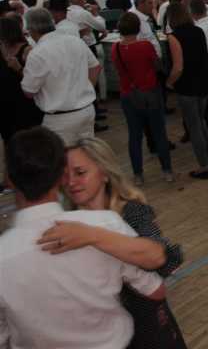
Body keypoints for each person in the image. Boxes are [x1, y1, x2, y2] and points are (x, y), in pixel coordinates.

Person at [0, 127, 165, 349]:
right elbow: (155, 289)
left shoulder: (4, 254)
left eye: (81, 172)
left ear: (9, 180)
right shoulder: (106, 224)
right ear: (61, 176)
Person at [37, 137, 187, 348]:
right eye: (65, 175)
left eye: (80, 173)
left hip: (148, 328)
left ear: (105, 173)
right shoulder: (64, 223)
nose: (70, 182)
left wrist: (92, 235)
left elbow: (161, 257)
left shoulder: (132, 211)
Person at [111, 12, 174, 185]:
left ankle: (138, 174)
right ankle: (167, 171)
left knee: (134, 135)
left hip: (128, 95)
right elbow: (157, 65)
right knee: (159, 133)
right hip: (150, 93)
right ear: (138, 28)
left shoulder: (115, 48)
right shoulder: (146, 46)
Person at [21, 8, 101, 145]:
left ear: (32, 29)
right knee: (87, 153)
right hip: (86, 110)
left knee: (61, 156)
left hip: (59, 118)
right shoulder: (75, 40)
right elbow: (95, 67)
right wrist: (86, 87)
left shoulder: (37, 53)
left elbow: (29, 91)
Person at [166, 3, 208, 179]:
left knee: (194, 127)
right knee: (202, 122)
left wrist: (169, 82)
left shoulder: (174, 37)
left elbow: (178, 67)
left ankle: (204, 165)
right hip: (203, 83)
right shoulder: (199, 31)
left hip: (187, 87)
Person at [0, 17, 43, 144]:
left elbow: (35, 80)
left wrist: (18, 68)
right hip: (4, 104)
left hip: (24, 103)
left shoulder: (27, 50)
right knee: (9, 140)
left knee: (29, 140)